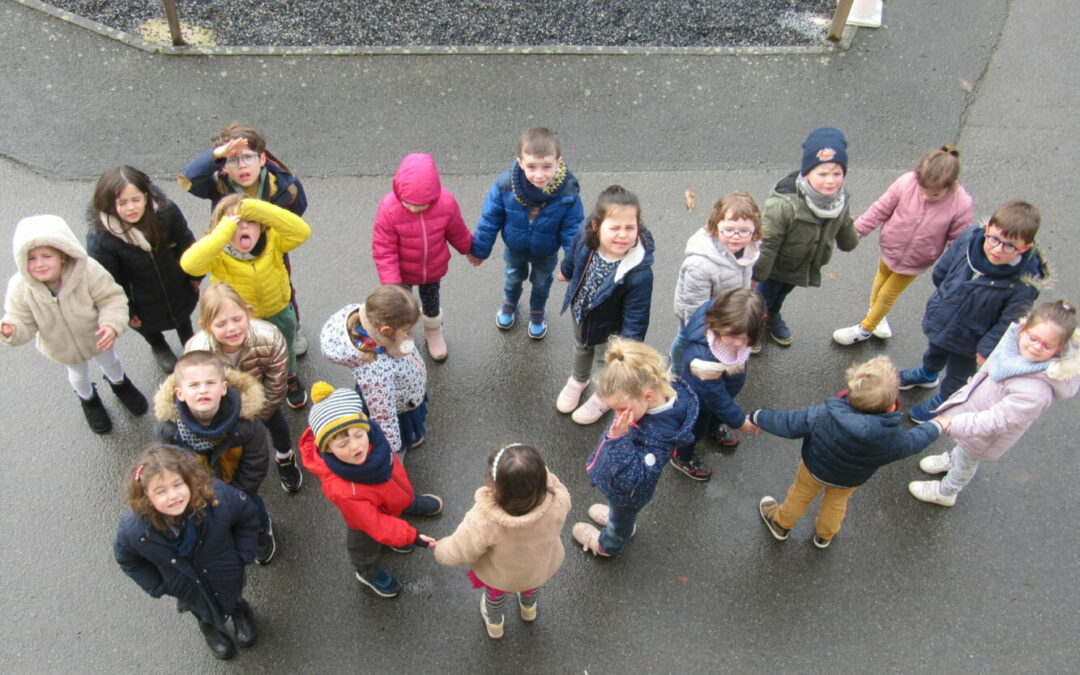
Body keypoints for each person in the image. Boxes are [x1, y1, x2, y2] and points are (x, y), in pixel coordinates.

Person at [754, 356, 943, 548]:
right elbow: (915, 441)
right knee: (835, 504)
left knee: (800, 495)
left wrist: (757, 417)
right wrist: (937, 426)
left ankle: (781, 524)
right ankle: (824, 535)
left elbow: (788, 423)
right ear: (891, 405)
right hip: (850, 479)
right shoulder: (891, 437)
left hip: (814, 467)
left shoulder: (825, 414)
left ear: (850, 393)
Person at [909, 300, 1080, 506]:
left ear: (1058, 349)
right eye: (1034, 338)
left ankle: (946, 492)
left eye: (1047, 345)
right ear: (1024, 328)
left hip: (985, 434)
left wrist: (953, 423)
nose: (1036, 347)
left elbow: (997, 420)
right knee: (962, 450)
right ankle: (951, 459)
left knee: (966, 462)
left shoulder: (1036, 390)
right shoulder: (1012, 346)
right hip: (972, 414)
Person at [898, 200, 1049, 423]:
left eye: (1009, 245)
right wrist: (943, 298)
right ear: (987, 229)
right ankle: (928, 373)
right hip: (944, 317)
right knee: (935, 349)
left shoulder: (1023, 284)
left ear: (1024, 247)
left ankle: (946, 399)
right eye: (994, 238)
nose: (997, 249)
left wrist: (986, 349)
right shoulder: (970, 238)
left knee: (959, 374)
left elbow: (1010, 322)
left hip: (971, 339)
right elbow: (943, 270)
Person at [1, 215, 147, 434]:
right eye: (31, 258)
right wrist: (12, 329)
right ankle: (89, 400)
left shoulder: (87, 270)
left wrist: (111, 324)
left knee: (111, 362)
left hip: (98, 337)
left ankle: (120, 384)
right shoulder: (20, 288)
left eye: (46, 256)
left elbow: (111, 298)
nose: (39, 264)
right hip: (61, 348)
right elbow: (22, 320)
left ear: (62, 254)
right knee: (78, 375)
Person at [114, 445, 260, 661]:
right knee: (200, 608)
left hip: (226, 571)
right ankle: (209, 625)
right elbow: (127, 559)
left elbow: (247, 515)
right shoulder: (133, 530)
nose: (173, 496)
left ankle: (240, 611)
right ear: (145, 495)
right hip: (186, 587)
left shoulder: (217, 498)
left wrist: (242, 555)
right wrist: (159, 585)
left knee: (233, 595)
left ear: (189, 480)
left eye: (177, 485)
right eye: (161, 491)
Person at [177, 122, 311, 356]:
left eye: (248, 157)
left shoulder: (282, 183)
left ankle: (293, 326)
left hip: (270, 242)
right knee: (237, 292)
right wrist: (216, 155)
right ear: (224, 166)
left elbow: (297, 214)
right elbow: (189, 180)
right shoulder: (217, 182)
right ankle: (250, 326)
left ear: (262, 159)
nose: (242, 166)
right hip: (229, 246)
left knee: (282, 284)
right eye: (232, 159)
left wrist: (255, 212)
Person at [299, 382, 442, 599]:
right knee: (365, 545)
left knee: (392, 511)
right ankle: (367, 572)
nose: (355, 446)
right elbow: (375, 523)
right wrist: (411, 536)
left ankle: (406, 504)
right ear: (327, 448)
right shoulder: (344, 490)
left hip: (389, 499)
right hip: (365, 522)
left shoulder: (374, 441)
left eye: (358, 435)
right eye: (343, 444)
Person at [180, 194, 311, 409]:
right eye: (234, 223)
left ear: (261, 225)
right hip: (243, 321)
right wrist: (221, 233)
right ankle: (256, 383)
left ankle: (289, 376)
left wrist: (256, 209)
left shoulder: (274, 240)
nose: (242, 227)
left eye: (249, 221)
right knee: (251, 354)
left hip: (278, 309)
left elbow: (302, 231)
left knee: (286, 346)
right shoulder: (217, 254)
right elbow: (189, 265)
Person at [833, 145, 973, 345]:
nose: (925, 196)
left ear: (951, 186)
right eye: (923, 190)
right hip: (890, 247)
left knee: (888, 294)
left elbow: (957, 242)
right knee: (881, 279)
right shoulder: (907, 183)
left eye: (934, 195)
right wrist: (855, 233)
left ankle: (865, 329)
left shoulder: (961, 204)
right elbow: (880, 209)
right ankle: (877, 317)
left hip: (917, 260)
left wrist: (955, 271)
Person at [571, 338, 698, 557]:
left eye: (621, 409)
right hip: (619, 483)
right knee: (619, 514)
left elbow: (634, 478)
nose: (616, 416)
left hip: (627, 494)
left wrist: (618, 438)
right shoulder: (651, 398)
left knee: (621, 519)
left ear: (647, 395)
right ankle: (618, 519)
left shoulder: (659, 437)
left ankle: (608, 544)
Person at [433, 443, 570, 639]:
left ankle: (495, 625)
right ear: (542, 480)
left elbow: (459, 550)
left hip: (501, 576)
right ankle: (528, 609)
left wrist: (441, 549)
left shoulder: (484, 520)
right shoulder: (558, 500)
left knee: (494, 598)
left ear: (495, 483)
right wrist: (537, 474)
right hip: (538, 569)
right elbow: (557, 487)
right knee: (531, 588)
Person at [153, 350, 278, 565]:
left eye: (210, 383)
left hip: (240, 489)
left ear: (223, 388)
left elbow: (256, 464)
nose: (203, 390)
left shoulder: (246, 424)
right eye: (193, 385)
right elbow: (167, 466)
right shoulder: (169, 430)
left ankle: (260, 531)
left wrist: (237, 494)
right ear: (179, 393)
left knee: (252, 509)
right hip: (198, 494)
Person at [186, 282, 302, 495]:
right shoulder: (197, 351)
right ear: (206, 326)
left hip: (264, 399)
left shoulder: (270, 337)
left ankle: (285, 456)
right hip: (224, 405)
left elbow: (276, 382)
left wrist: (260, 413)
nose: (231, 328)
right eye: (221, 324)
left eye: (237, 319)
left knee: (278, 426)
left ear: (247, 313)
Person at [468, 127, 585, 339]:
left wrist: (573, 264)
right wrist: (479, 249)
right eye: (531, 166)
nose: (539, 175)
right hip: (515, 248)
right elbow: (489, 220)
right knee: (513, 277)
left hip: (546, 252)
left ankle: (538, 310)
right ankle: (510, 302)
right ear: (520, 163)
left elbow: (573, 231)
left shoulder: (567, 193)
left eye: (547, 166)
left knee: (542, 282)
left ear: (559, 162)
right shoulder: (505, 187)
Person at [556, 185, 655, 425]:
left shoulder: (639, 272)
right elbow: (573, 254)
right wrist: (566, 270)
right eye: (615, 228)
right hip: (581, 311)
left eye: (630, 228)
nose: (623, 235)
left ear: (638, 227)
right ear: (596, 226)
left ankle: (603, 395)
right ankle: (578, 380)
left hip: (612, 329)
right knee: (581, 347)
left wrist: (628, 346)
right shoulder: (585, 236)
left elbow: (637, 315)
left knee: (606, 362)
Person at [87, 166, 201, 373]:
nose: (131, 207)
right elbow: (108, 281)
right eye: (122, 203)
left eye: (136, 200)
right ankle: (158, 345)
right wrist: (127, 310)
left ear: (146, 196)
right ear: (108, 204)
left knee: (182, 314)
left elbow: (186, 242)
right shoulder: (101, 238)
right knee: (147, 326)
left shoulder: (166, 212)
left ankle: (189, 340)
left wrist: (194, 274)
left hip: (175, 282)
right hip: (140, 299)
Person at [753, 127, 858, 347]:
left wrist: (849, 242)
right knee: (762, 296)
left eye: (837, 174)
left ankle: (771, 316)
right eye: (822, 174)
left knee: (780, 294)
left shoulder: (840, 198)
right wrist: (756, 277)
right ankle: (753, 326)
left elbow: (844, 221)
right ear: (807, 173)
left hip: (803, 264)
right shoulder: (784, 204)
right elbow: (768, 244)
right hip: (775, 267)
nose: (830, 181)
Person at [372, 152, 473, 361]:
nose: (414, 208)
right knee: (401, 305)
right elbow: (384, 249)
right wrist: (392, 283)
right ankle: (403, 332)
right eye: (408, 204)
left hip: (433, 270)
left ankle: (433, 331)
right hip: (402, 274)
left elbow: (457, 231)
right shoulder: (389, 209)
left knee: (431, 302)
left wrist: (471, 249)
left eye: (422, 206)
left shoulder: (446, 203)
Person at [670, 288, 765, 481]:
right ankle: (682, 457)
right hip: (700, 402)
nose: (739, 344)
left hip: (719, 391)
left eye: (746, 338)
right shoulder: (703, 357)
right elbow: (715, 397)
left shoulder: (722, 315)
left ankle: (713, 428)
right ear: (718, 323)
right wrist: (739, 421)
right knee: (694, 430)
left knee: (715, 416)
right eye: (734, 336)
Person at [320, 285, 428, 454]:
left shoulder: (366, 318)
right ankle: (409, 439)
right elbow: (384, 415)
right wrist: (390, 449)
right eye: (406, 330)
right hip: (401, 404)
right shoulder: (376, 372)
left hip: (399, 388)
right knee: (406, 427)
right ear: (385, 331)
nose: (409, 334)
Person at [671, 191, 761, 368]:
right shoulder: (700, 265)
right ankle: (676, 368)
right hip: (700, 314)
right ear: (715, 226)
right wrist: (703, 336)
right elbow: (694, 309)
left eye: (744, 231)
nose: (736, 236)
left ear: (754, 230)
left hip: (727, 310)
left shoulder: (749, 248)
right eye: (728, 230)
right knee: (684, 339)